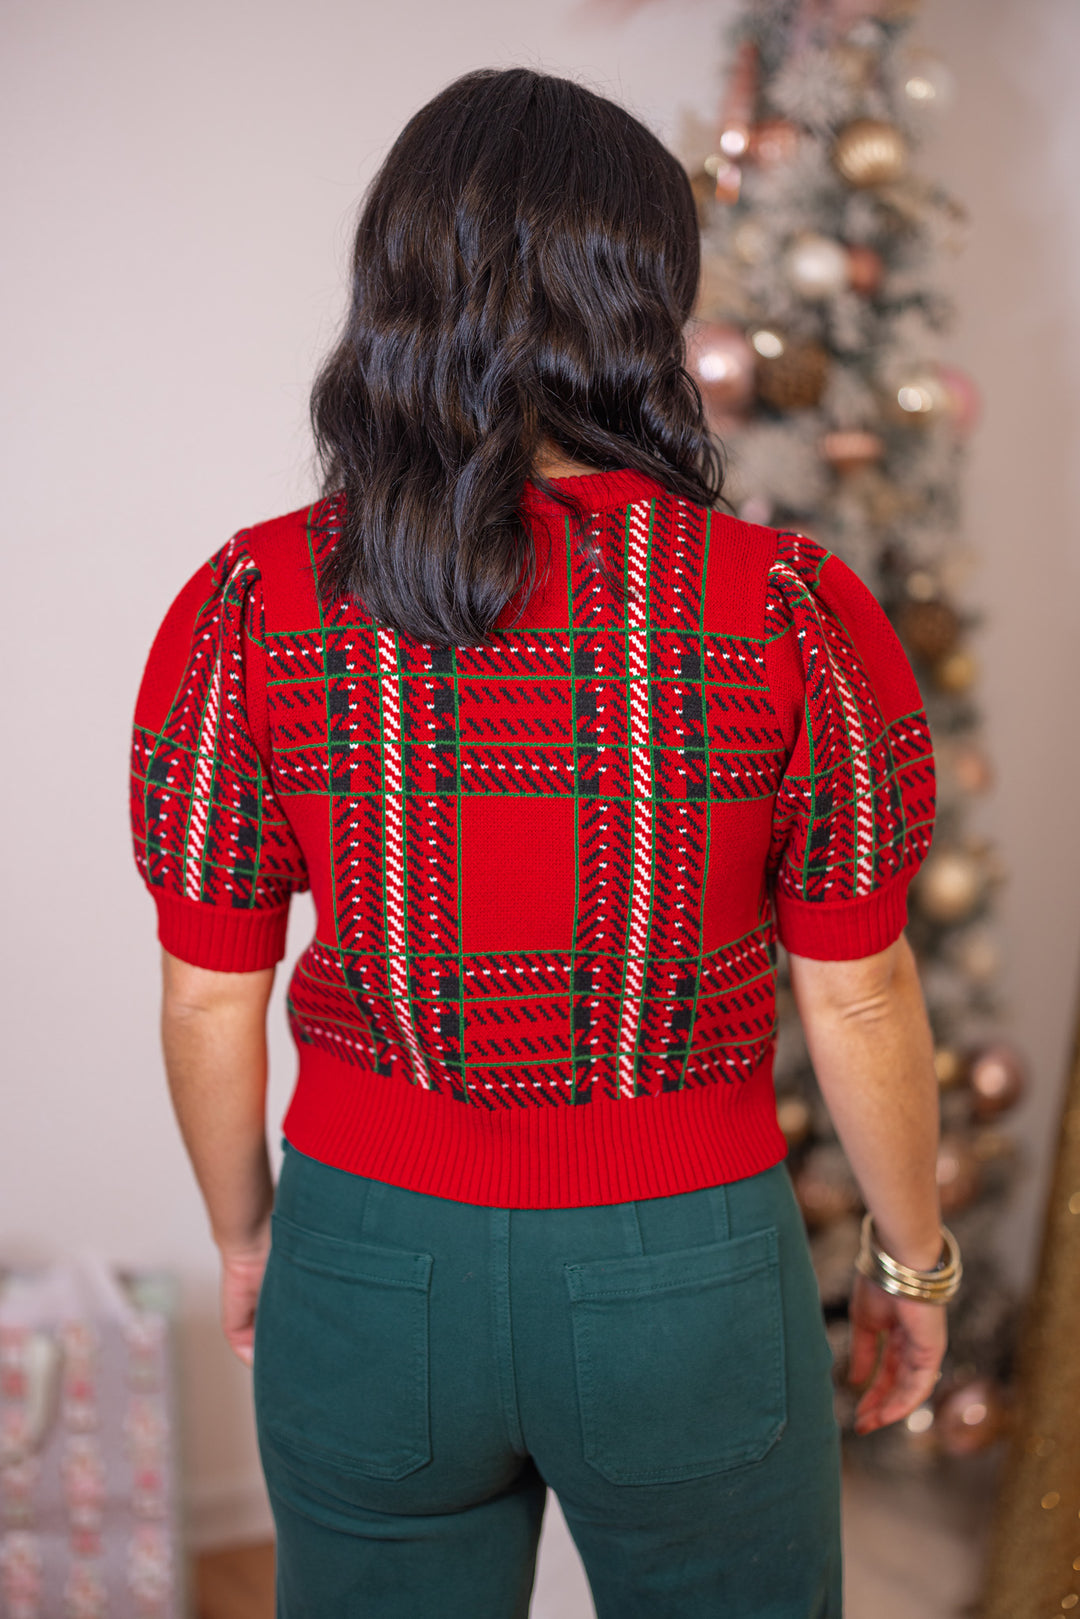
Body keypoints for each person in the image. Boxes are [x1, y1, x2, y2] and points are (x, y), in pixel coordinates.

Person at [129, 66, 959, 1619]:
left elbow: (205, 995)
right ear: (646, 298)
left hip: (365, 1260)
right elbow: (858, 992)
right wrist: (911, 1262)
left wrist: (250, 1238)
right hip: (685, 1270)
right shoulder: (783, 607)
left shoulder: (255, 602)